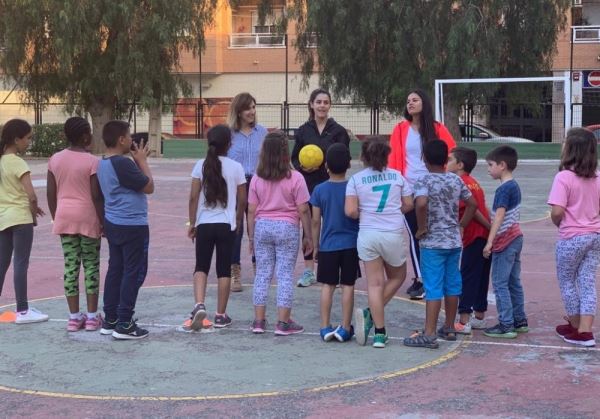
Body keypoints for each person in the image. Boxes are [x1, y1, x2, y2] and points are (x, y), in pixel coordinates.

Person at [403, 140, 477, 349]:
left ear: (424, 158)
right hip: (453, 240)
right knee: (452, 284)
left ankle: (429, 332)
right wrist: (461, 224)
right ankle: (449, 327)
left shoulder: (423, 180)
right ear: (446, 159)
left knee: (433, 286)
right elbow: (471, 204)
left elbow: (421, 203)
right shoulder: (454, 180)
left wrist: (421, 227)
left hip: (433, 242)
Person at [346, 136, 414, 348]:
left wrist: (366, 213)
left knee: (374, 284)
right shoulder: (397, 176)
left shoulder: (356, 180)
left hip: (368, 234)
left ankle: (379, 333)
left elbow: (350, 211)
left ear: (363, 156)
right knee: (399, 276)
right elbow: (409, 204)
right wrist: (392, 212)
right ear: (387, 155)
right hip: (392, 232)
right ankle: (369, 315)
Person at [388, 88, 456, 300]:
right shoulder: (400, 129)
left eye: (415, 100)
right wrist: (397, 187)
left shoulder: (437, 129)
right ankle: (422, 280)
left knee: (433, 234)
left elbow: (452, 153)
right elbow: (393, 160)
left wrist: (445, 178)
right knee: (416, 234)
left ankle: (432, 279)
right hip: (409, 188)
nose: (410, 103)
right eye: (408, 100)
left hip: (434, 186)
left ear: (424, 103)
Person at [182, 125, 247, 332]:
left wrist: (192, 223)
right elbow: (243, 199)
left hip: (204, 224)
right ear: (230, 144)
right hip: (226, 224)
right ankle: (220, 315)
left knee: (201, 266)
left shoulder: (200, 165)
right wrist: (236, 220)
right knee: (223, 269)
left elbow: (193, 197)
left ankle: (199, 305)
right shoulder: (236, 167)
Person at [248, 131, 313, 336]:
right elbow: (303, 209)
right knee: (285, 275)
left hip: (263, 226)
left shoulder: (257, 178)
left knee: (262, 274)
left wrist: (251, 235)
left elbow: (251, 209)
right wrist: (308, 235)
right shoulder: (296, 178)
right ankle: (283, 323)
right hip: (287, 227)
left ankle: (258, 321)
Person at [97, 120, 154, 340]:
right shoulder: (123, 164)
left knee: (116, 269)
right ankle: (124, 323)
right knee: (134, 271)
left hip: (114, 222)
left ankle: (110, 319)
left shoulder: (102, 162)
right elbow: (149, 186)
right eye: (129, 136)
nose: (132, 140)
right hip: (132, 224)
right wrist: (142, 161)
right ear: (121, 139)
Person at [47, 117, 104, 332]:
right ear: (86, 136)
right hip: (88, 217)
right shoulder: (92, 161)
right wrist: (102, 220)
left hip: (65, 216)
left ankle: (73, 317)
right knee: (91, 266)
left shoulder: (55, 159)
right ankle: (91, 317)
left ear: (65, 135)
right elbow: (96, 195)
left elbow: (51, 194)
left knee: (70, 266)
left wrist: (57, 216)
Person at [291, 88, 350, 287]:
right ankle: (309, 270)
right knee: (308, 227)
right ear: (311, 105)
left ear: (329, 105)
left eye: (326, 102)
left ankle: (338, 269)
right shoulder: (303, 130)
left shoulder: (339, 131)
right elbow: (294, 157)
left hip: (332, 186)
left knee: (334, 226)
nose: (322, 105)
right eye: (319, 102)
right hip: (308, 186)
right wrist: (303, 167)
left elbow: (344, 156)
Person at [548, 128, 600, 347]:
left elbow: (557, 211)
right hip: (595, 235)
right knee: (587, 280)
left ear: (570, 149)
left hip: (572, 236)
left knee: (567, 280)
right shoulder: (598, 177)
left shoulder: (563, 177)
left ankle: (576, 325)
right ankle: (585, 330)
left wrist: (559, 222)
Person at [0, 119, 48, 324]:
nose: (29, 142)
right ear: (16, 139)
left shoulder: (1, 161)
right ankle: (23, 310)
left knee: (2, 264)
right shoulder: (18, 162)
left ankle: (20, 308)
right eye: (28, 138)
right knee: (21, 263)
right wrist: (33, 211)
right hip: (20, 218)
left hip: (3, 218)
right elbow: (31, 195)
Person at [310, 143, 359, 342]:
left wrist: (315, 246)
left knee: (327, 286)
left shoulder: (319, 190)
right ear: (348, 165)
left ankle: (324, 327)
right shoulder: (353, 188)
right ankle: (345, 328)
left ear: (326, 166)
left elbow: (315, 221)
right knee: (348, 285)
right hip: (351, 244)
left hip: (328, 244)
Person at [482, 145, 528, 339]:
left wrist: (489, 241)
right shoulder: (514, 185)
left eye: (490, 165)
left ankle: (506, 323)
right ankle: (520, 320)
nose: (488, 169)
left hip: (505, 240)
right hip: (516, 237)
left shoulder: (503, 189)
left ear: (502, 165)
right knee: (513, 282)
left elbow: (499, 216)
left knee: (500, 283)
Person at [447, 147, 492, 333]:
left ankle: (464, 320)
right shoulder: (474, 182)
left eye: (450, 159)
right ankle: (479, 315)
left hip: (474, 236)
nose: (446, 162)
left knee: (467, 276)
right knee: (481, 276)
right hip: (483, 236)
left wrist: (489, 228)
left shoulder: (460, 182)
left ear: (460, 165)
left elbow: (473, 210)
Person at [227, 93, 267, 292]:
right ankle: (235, 271)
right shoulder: (229, 134)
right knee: (236, 229)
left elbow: (271, 158)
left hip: (258, 184)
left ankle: (259, 268)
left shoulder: (263, 132)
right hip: (235, 185)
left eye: (253, 107)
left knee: (257, 229)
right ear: (238, 112)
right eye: (247, 108)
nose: (251, 111)